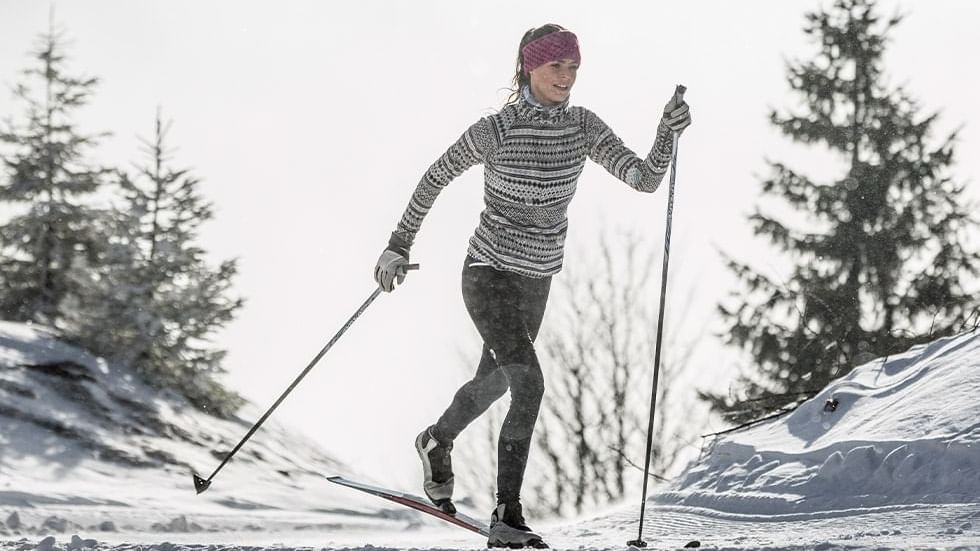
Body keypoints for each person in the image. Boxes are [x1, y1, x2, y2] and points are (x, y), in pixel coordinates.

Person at [373, 23, 691, 549]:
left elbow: (644, 178)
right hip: (487, 273)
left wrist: (666, 134)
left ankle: (436, 440)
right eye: (555, 67)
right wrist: (398, 245)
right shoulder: (496, 130)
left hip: (536, 280)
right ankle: (507, 515)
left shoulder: (583, 127)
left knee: (498, 382)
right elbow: (435, 177)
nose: (566, 77)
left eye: (573, 68)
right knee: (529, 383)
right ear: (527, 67)